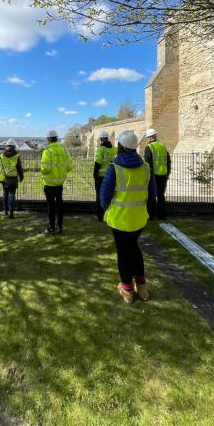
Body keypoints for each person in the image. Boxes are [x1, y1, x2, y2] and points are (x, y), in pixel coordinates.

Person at [100, 130, 156, 304]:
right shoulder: (146, 167)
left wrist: (107, 209)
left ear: (121, 147)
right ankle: (142, 286)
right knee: (134, 250)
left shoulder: (114, 168)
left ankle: (127, 290)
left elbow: (104, 196)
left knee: (124, 254)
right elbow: (152, 194)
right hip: (139, 219)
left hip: (119, 220)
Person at [40, 130, 73, 235]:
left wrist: (41, 168)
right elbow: (69, 167)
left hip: (49, 184)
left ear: (49, 139)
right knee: (60, 205)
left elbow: (45, 169)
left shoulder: (47, 152)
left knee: (51, 206)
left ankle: (51, 228)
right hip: (59, 183)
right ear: (56, 138)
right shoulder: (64, 151)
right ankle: (60, 227)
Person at [144, 128, 171, 220]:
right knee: (161, 196)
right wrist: (167, 173)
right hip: (163, 175)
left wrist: (147, 176)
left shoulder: (149, 147)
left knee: (151, 196)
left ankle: (151, 216)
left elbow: (147, 163)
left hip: (153, 176)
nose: (147, 139)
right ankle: (161, 216)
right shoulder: (162, 146)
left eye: (147, 137)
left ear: (149, 137)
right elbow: (168, 161)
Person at [0, 139, 24, 218]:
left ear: (7, 146)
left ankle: (5, 211)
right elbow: (19, 168)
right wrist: (21, 177)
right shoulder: (16, 156)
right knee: (12, 194)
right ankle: (11, 213)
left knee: (5, 194)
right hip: (13, 178)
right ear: (14, 146)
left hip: (4, 178)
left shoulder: (1, 155)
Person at [93, 130, 117, 221]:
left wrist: (95, 174)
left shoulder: (101, 149)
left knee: (99, 196)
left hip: (101, 176)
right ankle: (109, 214)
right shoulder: (114, 148)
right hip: (111, 175)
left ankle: (100, 216)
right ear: (107, 138)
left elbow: (98, 163)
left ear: (101, 139)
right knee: (110, 195)